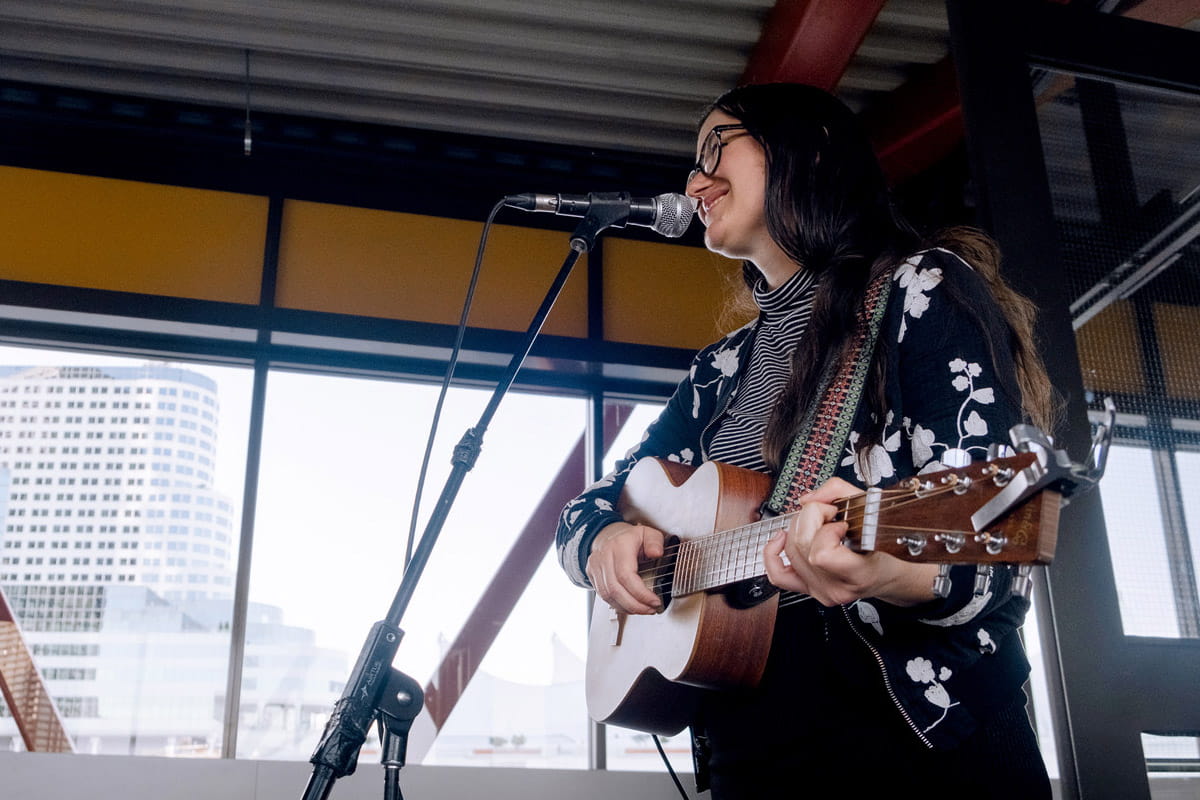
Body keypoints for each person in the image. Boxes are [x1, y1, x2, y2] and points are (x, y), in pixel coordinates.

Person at [556, 83, 1057, 798]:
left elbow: (1000, 534)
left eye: (715, 148)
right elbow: (593, 502)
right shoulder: (720, 367)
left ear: (809, 149)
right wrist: (604, 538)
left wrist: (885, 570)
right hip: (744, 744)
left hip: (906, 742)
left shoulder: (923, 291)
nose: (694, 181)